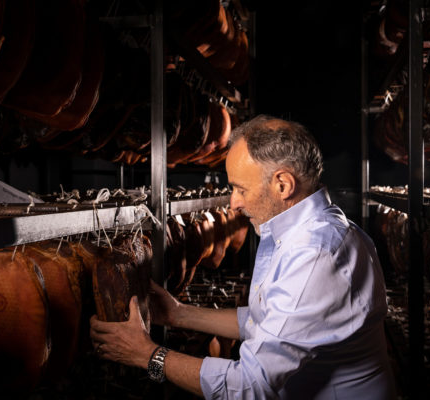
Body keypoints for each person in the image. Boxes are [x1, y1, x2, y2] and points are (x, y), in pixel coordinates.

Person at [89, 115, 396, 399]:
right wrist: (178, 314)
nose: (233, 203)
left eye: (239, 188)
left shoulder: (316, 253)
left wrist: (147, 355)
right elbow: (265, 322)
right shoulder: (300, 231)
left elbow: (250, 386)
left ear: (283, 185)